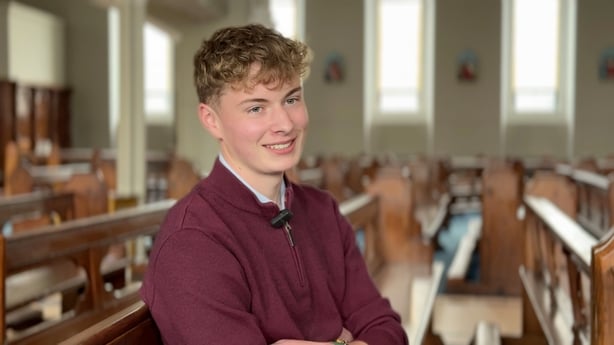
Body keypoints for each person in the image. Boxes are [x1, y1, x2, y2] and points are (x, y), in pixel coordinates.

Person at [140, 23, 408, 345]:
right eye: (256, 108)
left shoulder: (323, 211)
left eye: (292, 99)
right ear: (212, 120)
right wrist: (343, 340)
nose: (285, 124)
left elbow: (386, 329)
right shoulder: (192, 241)